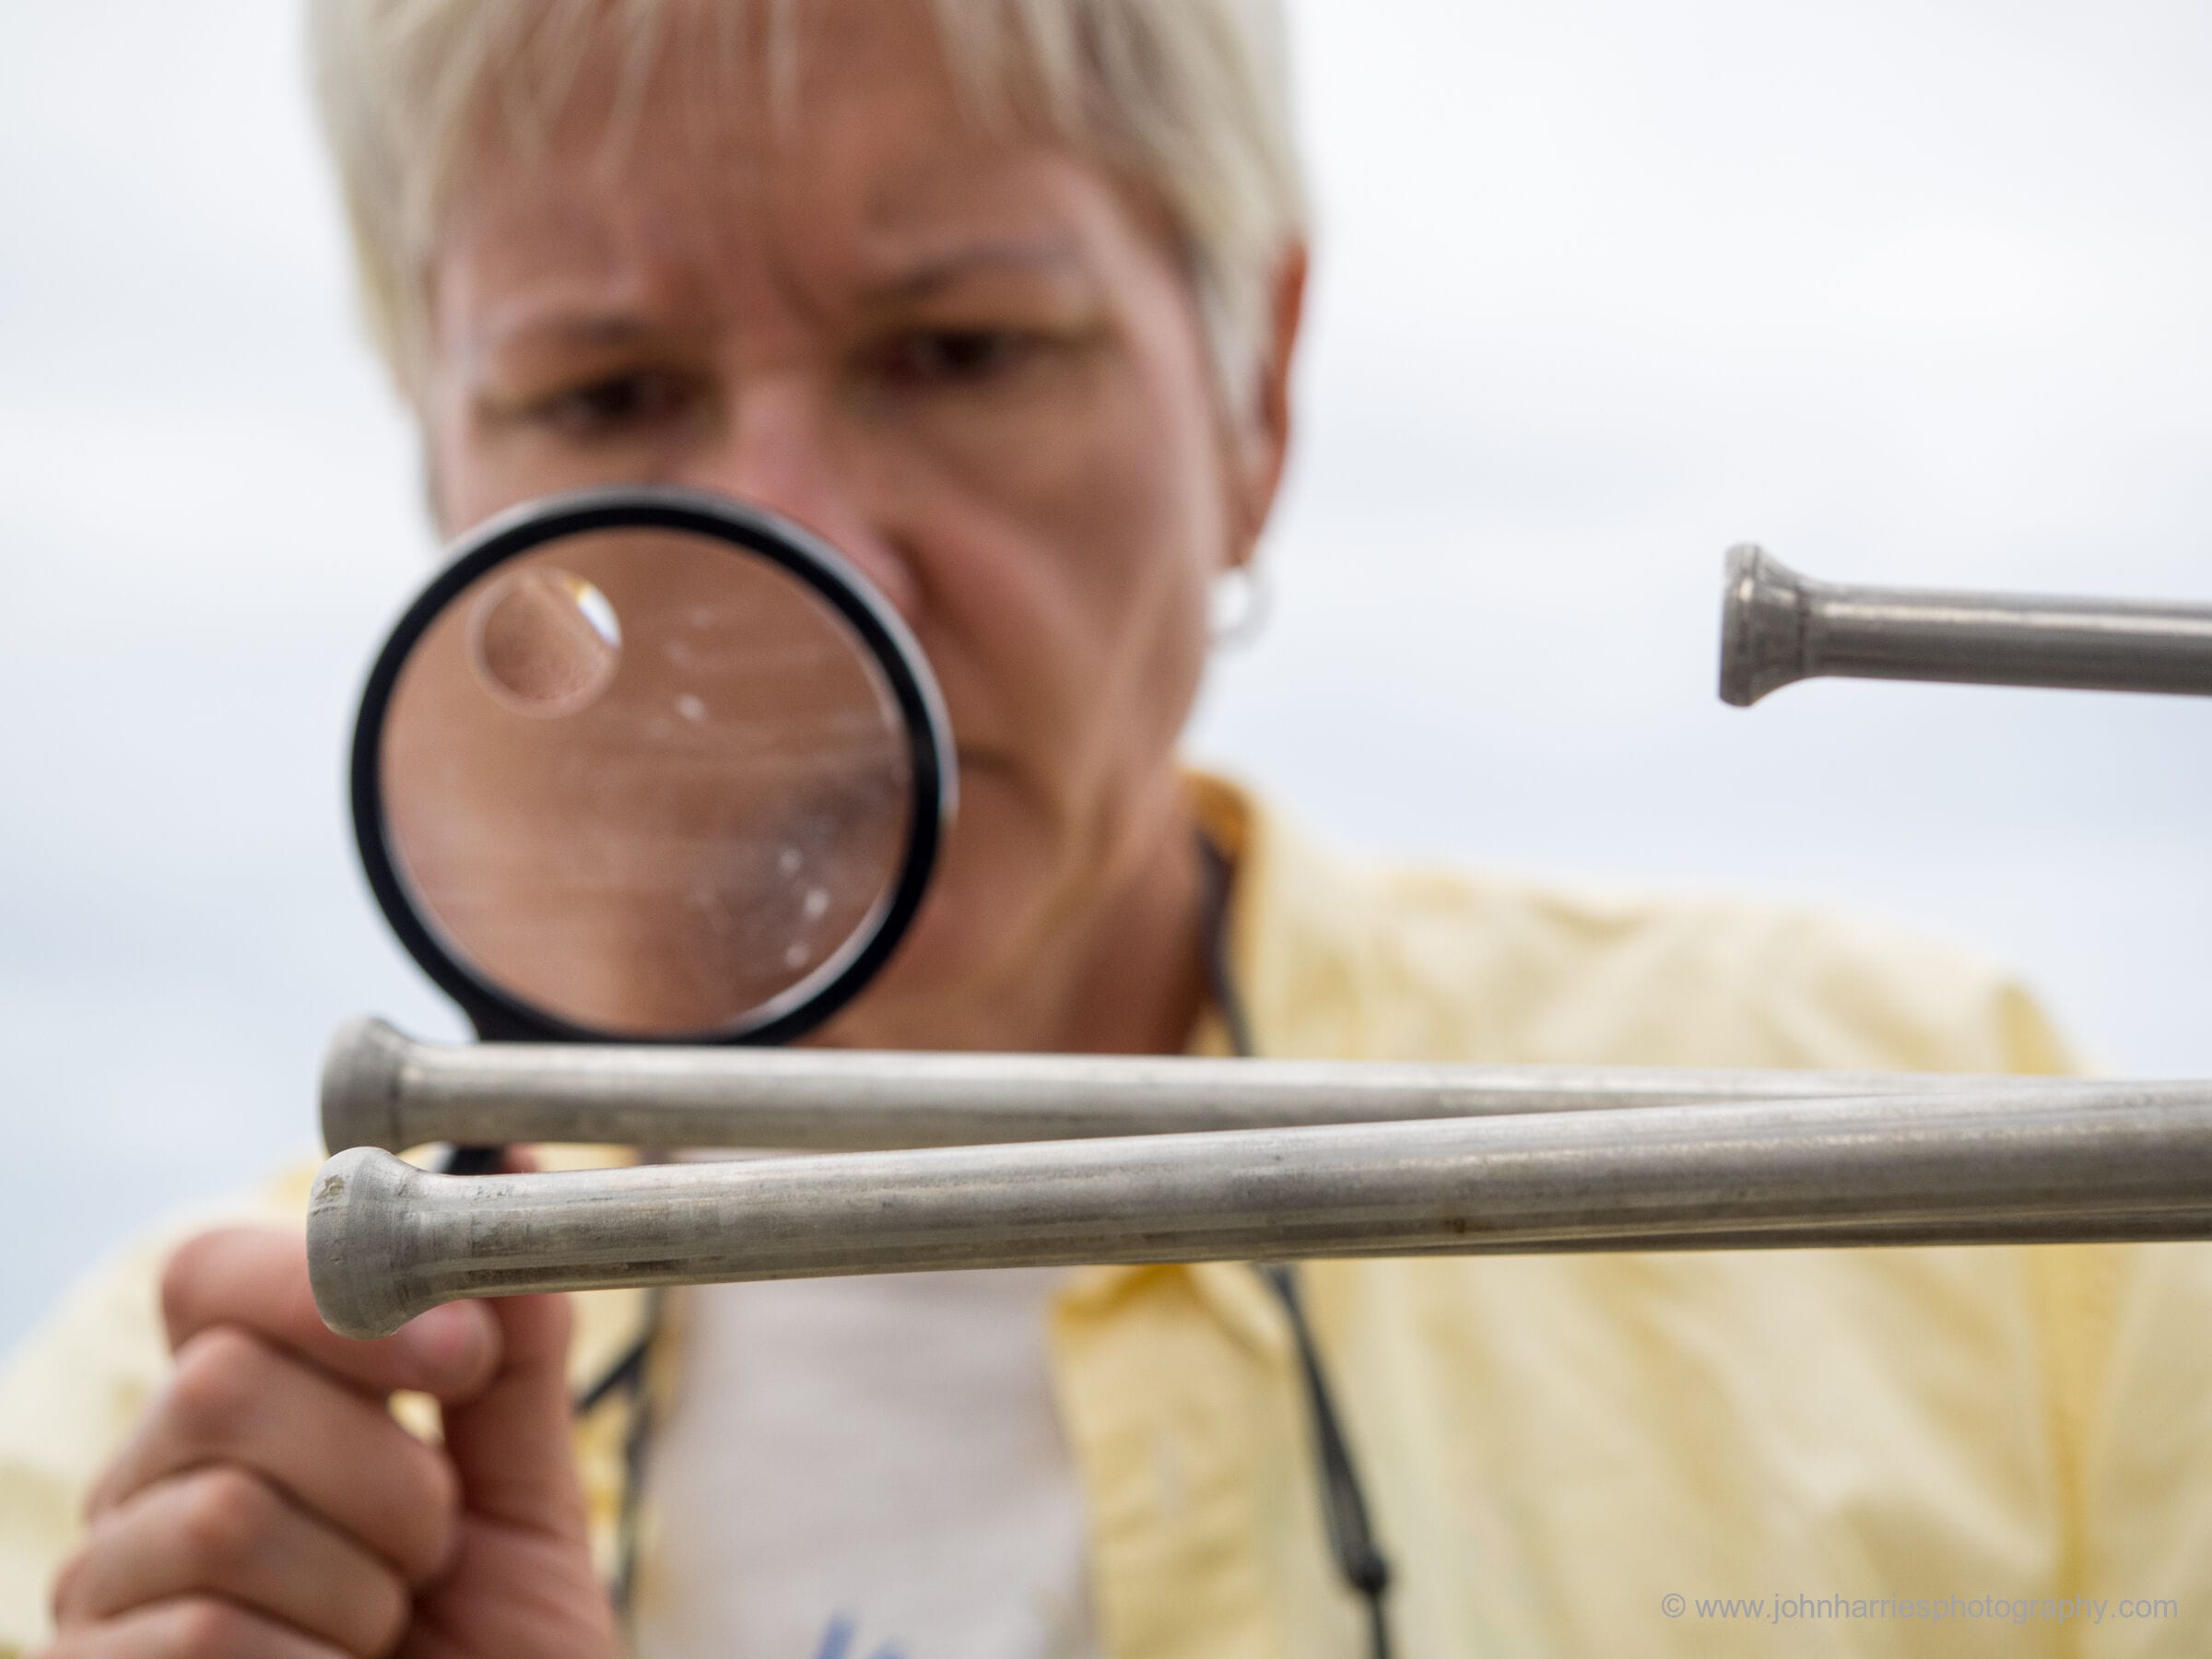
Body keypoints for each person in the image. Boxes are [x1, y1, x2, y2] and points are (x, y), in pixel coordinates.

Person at [6, 1, 2210, 1654]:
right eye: (606, 395)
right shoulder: (173, 1454)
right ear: (438, 469)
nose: (806, 556)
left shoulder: (1969, 1207)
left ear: (1258, 388)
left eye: (958, 348)